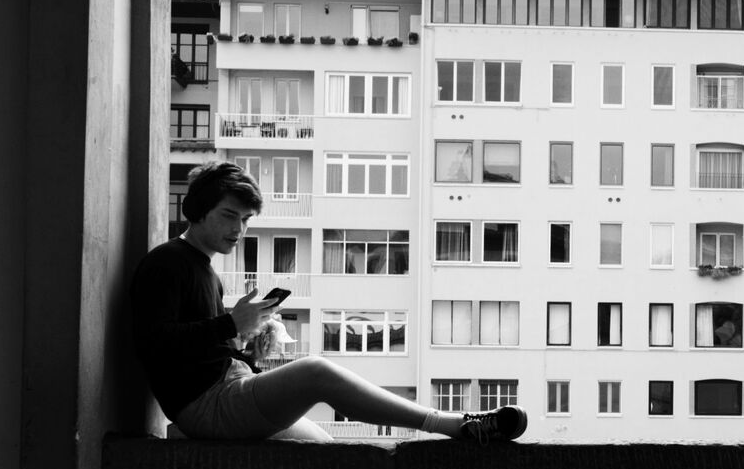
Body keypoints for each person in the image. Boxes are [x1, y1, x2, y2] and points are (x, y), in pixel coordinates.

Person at [131, 163, 525, 443]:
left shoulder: (206, 271)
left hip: (228, 389)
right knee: (315, 371)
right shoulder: (167, 262)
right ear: (197, 212)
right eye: (229, 215)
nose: (239, 229)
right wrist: (231, 324)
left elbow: (199, 351)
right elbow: (154, 343)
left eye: (247, 219)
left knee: (325, 449)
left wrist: (246, 345)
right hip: (208, 407)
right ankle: (455, 425)